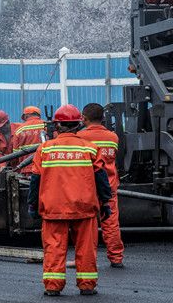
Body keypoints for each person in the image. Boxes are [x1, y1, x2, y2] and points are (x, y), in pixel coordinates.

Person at [28, 104, 112, 297]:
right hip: (84, 208)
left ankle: (52, 286)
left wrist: (32, 204)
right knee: (86, 248)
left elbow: (35, 180)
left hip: (53, 208)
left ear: (57, 125)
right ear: (78, 124)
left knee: (54, 248)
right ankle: (87, 286)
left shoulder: (45, 149)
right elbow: (102, 179)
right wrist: (105, 202)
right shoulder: (90, 149)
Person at [77, 103, 124, 268]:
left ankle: (88, 259)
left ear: (84, 118)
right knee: (111, 222)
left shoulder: (80, 138)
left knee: (87, 226)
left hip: (87, 188)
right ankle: (116, 258)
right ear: (103, 118)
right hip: (109, 186)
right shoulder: (113, 137)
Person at [11, 106, 46, 174]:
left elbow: (15, 154)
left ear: (26, 116)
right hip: (45, 167)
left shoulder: (19, 130)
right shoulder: (47, 125)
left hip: (27, 169)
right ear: (38, 115)